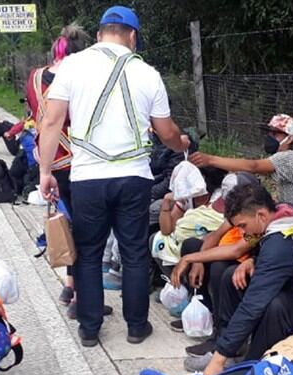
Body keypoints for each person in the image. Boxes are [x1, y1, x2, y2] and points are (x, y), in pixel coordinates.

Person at [38, 6, 190, 347]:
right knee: (134, 251)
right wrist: (179, 142)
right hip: (134, 177)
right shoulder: (148, 73)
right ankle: (136, 327)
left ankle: (90, 329)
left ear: (98, 34)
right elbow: (165, 131)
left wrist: (45, 171)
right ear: (133, 36)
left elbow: (51, 122)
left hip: (87, 177)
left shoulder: (71, 66)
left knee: (89, 252)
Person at [200, 183, 293, 375]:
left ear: (261, 215)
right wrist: (253, 260)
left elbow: (253, 303)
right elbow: (287, 258)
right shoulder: (284, 214)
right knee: (232, 276)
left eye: (243, 226)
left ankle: (249, 370)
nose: (243, 233)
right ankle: (231, 349)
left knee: (274, 305)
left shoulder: (281, 243)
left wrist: (216, 362)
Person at [26, 24, 96, 314]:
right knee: (86, 231)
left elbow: (34, 114)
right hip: (75, 160)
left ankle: (69, 284)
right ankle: (81, 298)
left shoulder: (35, 76)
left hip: (46, 159)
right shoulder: (81, 77)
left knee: (67, 224)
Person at [189, 113, 293, 224]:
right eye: (269, 132)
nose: (270, 137)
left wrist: (210, 160)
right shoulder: (282, 160)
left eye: (276, 133)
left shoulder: (290, 157)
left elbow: (252, 166)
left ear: (290, 139)